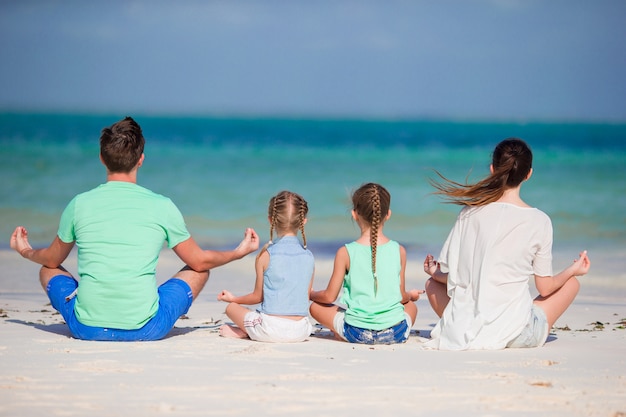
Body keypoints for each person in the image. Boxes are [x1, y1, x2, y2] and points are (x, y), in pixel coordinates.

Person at [9, 116, 259, 341]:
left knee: (47, 270)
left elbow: (52, 259)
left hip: (86, 328)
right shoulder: (162, 205)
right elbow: (201, 261)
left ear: (101, 158)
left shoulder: (79, 204)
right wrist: (237, 252)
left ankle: (95, 311)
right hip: (147, 328)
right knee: (199, 271)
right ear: (141, 160)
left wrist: (26, 251)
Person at [423, 137, 591, 350]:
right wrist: (572, 270)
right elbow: (545, 288)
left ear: (493, 169)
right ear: (528, 174)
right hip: (518, 334)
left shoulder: (469, 213)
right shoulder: (540, 221)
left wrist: (435, 274)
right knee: (572, 283)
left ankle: (475, 328)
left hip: (466, 330)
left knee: (432, 286)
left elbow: (460, 278)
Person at [309, 183, 422, 344]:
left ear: (354, 214)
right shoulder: (399, 250)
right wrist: (410, 295)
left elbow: (329, 297)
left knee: (315, 307)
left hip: (356, 332)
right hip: (395, 332)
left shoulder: (345, 252)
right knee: (411, 306)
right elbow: (401, 297)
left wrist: (311, 294)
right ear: (388, 214)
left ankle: (339, 330)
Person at [217, 190, 314, 343]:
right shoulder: (309, 256)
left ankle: (244, 332)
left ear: (270, 220)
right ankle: (248, 332)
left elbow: (257, 297)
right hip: (301, 330)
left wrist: (233, 298)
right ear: (303, 222)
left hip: (270, 329)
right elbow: (305, 296)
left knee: (231, 308)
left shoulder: (266, 255)